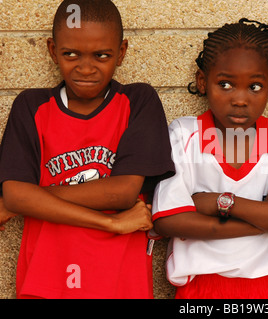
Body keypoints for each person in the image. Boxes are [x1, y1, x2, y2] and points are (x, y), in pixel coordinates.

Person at [0, 0, 174, 299]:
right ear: (53, 50)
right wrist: (111, 221)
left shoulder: (138, 101)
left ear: (121, 52)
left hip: (118, 281)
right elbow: (16, 192)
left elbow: (121, 193)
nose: (85, 67)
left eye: (101, 55)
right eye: (70, 54)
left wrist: (25, 199)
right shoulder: (31, 106)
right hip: (47, 279)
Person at [150, 18, 268, 299]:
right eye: (226, 84)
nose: (240, 99)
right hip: (200, 289)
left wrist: (221, 202)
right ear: (202, 82)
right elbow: (169, 220)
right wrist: (264, 214)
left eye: (254, 86)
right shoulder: (185, 133)